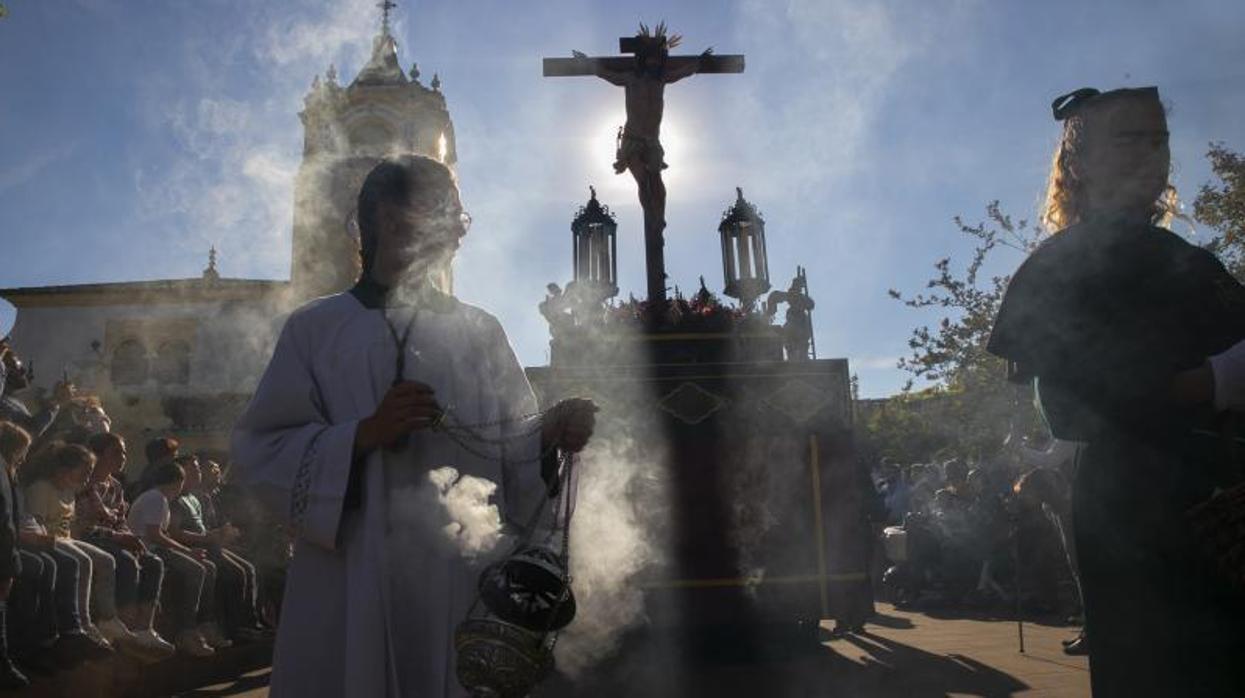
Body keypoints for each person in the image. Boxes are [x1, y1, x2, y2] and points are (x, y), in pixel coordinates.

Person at [232, 155, 597, 697]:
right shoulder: (316, 327)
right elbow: (263, 448)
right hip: (353, 567)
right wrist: (360, 435)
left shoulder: (480, 329)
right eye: (440, 211)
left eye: (456, 216)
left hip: (460, 565)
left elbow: (512, 439)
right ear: (385, 217)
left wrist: (547, 434)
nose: (453, 228)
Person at [988, 86, 1245, 696]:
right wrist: (1216, 380)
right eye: (1130, 137)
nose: (1151, 152)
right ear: (1081, 161)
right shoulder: (1059, 268)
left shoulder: (1192, 260)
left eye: (1158, 138)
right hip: (1137, 512)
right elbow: (1070, 408)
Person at [22, 442, 134, 651]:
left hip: (65, 540)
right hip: (47, 541)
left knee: (106, 560)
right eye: (85, 471)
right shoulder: (41, 489)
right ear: (64, 470)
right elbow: (36, 527)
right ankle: (82, 623)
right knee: (82, 561)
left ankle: (107, 618)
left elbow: (71, 529)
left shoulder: (69, 492)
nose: (88, 476)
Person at [79, 432, 174, 659]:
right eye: (116, 452)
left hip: (115, 539)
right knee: (125, 560)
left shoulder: (115, 486)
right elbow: (80, 526)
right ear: (98, 455)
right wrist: (119, 538)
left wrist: (129, 538)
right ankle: (123, 627)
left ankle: (144, 628)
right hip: (91, 538)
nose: (123, 457)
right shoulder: (84, 485)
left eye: (123, 451)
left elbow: (121, 522)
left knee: (153, 561)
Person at [127, 461, 224, 657]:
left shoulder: (159, 499)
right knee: (197, 569)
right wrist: (187, 552)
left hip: (156, 547)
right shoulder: (156, 498)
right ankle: (186, 631)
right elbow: (155, 535)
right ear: (176, 481)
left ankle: (203, 624)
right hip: (148, 549)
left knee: (208, 567)